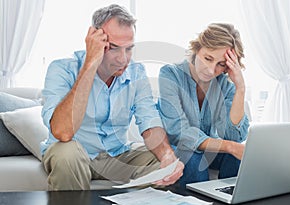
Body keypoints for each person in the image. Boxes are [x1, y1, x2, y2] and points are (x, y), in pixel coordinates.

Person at [41, 4, 184, 191]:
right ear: (94, 40)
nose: (123, 59)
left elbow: (149, 121)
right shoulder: (62, 69)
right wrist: (91, 63)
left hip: (117, 154)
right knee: (67, 154)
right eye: (114, 48)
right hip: (73, 154)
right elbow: (62, 132)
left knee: (167, 165)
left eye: (129, 49)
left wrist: (166, 156)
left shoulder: (136, 72)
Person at [157, 23, 249, 187]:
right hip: (177, 148)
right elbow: (180, 133)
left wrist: (240, 88)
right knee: (193, 159)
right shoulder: (170, 74)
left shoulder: (225, 86)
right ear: (196, 49)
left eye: (221, 64)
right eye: (208, 58)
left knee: (236, 157)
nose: (211, 70)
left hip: (207, 149)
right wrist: (230, 146)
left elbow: (233, 136)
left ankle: (230, 204)